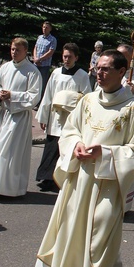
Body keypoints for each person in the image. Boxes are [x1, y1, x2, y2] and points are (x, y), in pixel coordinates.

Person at [30, 49, 134, 267]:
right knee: (72, 234)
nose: (99, 72)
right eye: (98, 67)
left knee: (99, 237)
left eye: (106, 69)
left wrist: (105, 153)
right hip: (80, 179)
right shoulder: (87, 101)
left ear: (121, 72)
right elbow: (69, 131)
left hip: (108, 183)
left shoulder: (132, 109)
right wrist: (76, 146)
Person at [0, 37, 42, 198]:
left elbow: (34, 96)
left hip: (18, 118)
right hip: (3, 115)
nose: (14, 53)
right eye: (12, 49)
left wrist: (12, 95)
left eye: (17, 50)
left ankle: (9, 190)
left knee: (10, 153)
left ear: (25, 51)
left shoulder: (32, 71)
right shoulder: (5, 67)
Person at [35, 43, 92, 193]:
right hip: (55, 117)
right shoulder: (56, 73)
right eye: (64, 56)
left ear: (76, 58)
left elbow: (87, 98)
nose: (66, 59)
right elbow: (48, 95)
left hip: (70, 118)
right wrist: (43, 117)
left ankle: (61, 178)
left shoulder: (82, 75)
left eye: (70, 57)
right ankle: (46, 178)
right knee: (51, 146)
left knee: (65, 148)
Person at [33, 21, 57, 103]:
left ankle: (39, 102)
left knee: (42, 84)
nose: (44, 29)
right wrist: (35, 58)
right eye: (43, 27)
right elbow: (35, 48)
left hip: (44, 66)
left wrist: (40, 59)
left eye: (46, 27)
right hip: (36, 64)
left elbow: (50, 52)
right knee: (34, 83)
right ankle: (33, 100)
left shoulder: (52, 40)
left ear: (50, 29)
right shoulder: (39, 37)